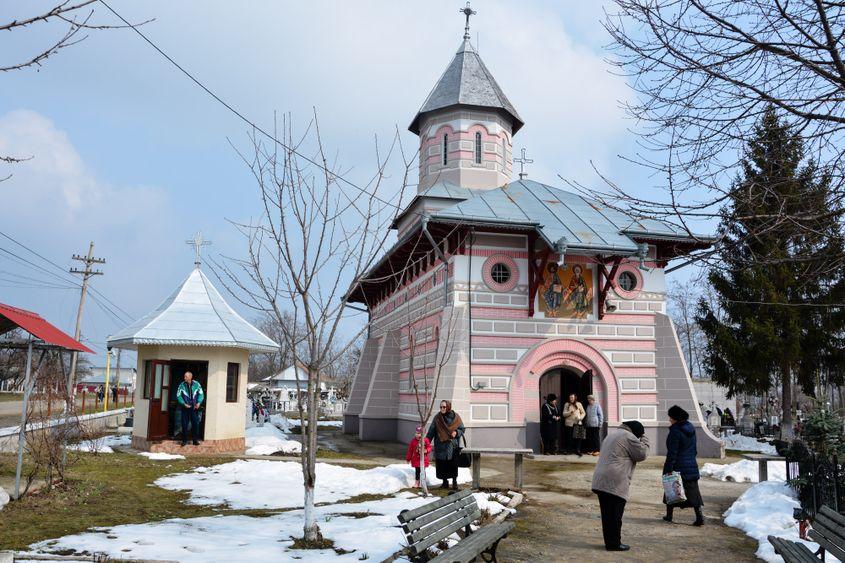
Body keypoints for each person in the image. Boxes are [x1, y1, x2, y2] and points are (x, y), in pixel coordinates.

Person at [591, 420, 649, 552]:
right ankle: (614, 544)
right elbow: (642, 454)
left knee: (607, 515)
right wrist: (645, 439)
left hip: (601, 480)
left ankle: (610, 542)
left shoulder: (613, 434)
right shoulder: (628, 436)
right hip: (614, 481)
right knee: (615, 515)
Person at [662, 405, 704, 526]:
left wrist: (668, 467)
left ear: (675, 418)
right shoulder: (690, 428)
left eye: (670, 417)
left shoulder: (675, 431)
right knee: (693, 491)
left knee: (671, 488)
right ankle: (699, 517)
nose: (669, 419)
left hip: (678, 465)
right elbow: (694, 449)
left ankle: (669, 515)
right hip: (691, 464)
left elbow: (672, 452)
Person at [426, 400, 465, 490]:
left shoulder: (456, 417)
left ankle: (454, 483)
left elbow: (462, 429)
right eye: (441, 407)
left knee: (453, 464)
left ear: (448, 407)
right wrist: (426, 441)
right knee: (442, 464)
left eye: (444, 407)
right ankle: (445, 483)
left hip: (452, 445)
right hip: (440, 445)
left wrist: (456, 432)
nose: (442, 409)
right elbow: (431, 431)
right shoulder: (437, 418)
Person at [176, 371, 205, 446]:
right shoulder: (181, 385)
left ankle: (195, 440)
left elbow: (201, 394)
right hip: (185, 407)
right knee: (184, 424)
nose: (184, 378)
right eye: (184, 376)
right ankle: (184, 441)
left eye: (186, 376)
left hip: (194, 408)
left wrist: (199, 402)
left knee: (195, 424)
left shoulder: (197, 384)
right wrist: (183, 403)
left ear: (190, 377)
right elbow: (178, 395)